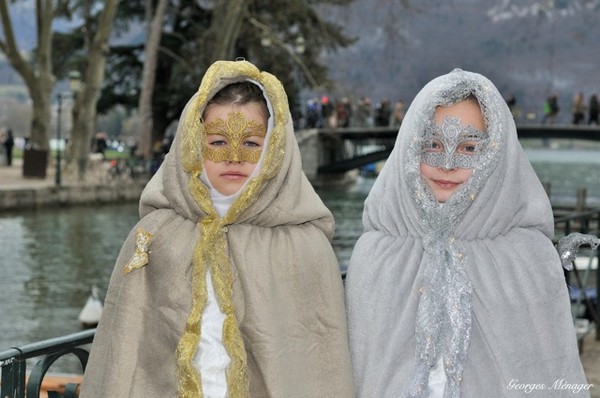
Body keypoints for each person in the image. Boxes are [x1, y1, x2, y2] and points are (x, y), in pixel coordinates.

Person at [80, 60, 354, 397]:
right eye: (218, 142)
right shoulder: (154, 236)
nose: (234, 157)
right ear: (193, 144)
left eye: (252, 143)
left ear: (275, 150)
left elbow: (319, 364)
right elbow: (122, 353)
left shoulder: (304, 245)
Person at [345, 69, 590, 397]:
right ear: (410, 147)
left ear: (496, 155)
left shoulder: (529, 258)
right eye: (433, 143)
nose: (447, 163)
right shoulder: (376, 255)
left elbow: (548, 373)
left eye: (469, 148)